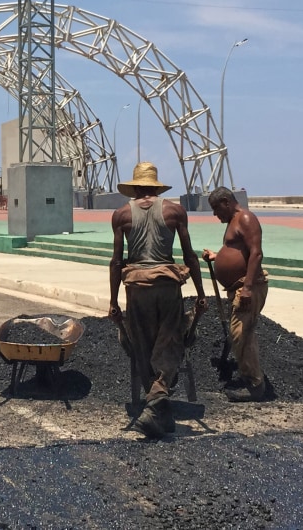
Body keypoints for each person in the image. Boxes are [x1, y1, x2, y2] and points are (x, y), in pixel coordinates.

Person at [109, 162, 208, 438]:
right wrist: (200, 293)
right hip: (167, 285)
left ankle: (154, 405)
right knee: (169, 339)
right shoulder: (174, 211)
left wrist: (113, 300)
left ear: (136, 187)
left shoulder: (121, 215)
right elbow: (190, 256)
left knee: (142, 343)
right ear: (155, 187)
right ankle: (159, 407)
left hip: (137, 287)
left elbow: (117, 261)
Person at [202, 186, 269, 403]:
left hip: (248, 286)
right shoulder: (234, 221)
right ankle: (251, 379)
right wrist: (217, 256)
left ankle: (255, 385)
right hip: (238, 287)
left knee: (241, 333)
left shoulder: (246, 218)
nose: (215, 214)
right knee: (241, 333)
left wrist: (248, 287)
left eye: (216, 209)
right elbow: (237, 250)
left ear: (226, 202)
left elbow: (256, 254)